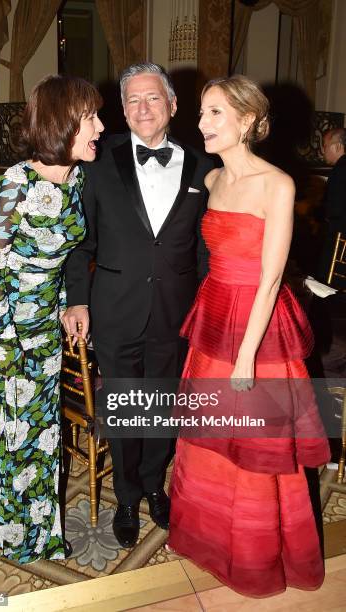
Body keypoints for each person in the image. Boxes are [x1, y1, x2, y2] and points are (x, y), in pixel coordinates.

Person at [168, 75, 331, 597]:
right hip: (213, 314)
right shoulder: (213, 180)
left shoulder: (277, 185)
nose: (201, 124)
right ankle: (206, 538)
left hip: (257, 328)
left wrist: (245, 358)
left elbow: (269, 279)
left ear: (248, 120)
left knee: (257, 446)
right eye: (201, 113)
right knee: (210, 437)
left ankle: (256, 555)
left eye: (214, 113)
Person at [62, 62, 214, 548]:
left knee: (162, 404)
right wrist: (78, 301)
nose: (142, 108)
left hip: (176, 309)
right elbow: (78, 243)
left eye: (153, 98)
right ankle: (127, 496)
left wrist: (208, 306)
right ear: (121, 109)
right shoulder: (95, 160)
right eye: (132, 99)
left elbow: (206, 248)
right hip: (114, 307)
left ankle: (154, 484)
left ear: (172, 106)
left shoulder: (204, 167)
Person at [0, 74, 104, 564]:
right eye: (90, 116)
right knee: (11, 430)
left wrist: (73, 302)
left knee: (43, 432)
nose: (99, 125)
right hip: (3, 329)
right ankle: (7, 532)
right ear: (63, 121)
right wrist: (7, 345)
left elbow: (73, 250)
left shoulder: (78, 177)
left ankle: (39, 532)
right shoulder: (14, 183)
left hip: (45, 322)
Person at [317, 127, 346, 283]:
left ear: (337, 146)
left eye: (325, 145)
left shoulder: (340, 170)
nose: (323, 150)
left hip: (339, 238)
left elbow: (333, 208)